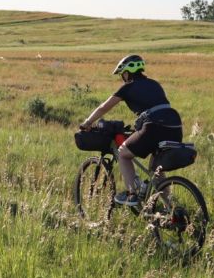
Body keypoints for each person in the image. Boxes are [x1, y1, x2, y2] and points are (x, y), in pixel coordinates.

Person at [78, 54, 183, 206]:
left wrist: (87, 122)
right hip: (175, 126)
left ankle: (132, 194)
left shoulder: (127, 87)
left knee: (123, 153)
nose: (123, 77)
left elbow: (104, 107)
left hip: (153, 127)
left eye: (122, 74)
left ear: (127, 73)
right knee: (156, 169)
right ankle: (171, 209)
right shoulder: (155, 84)